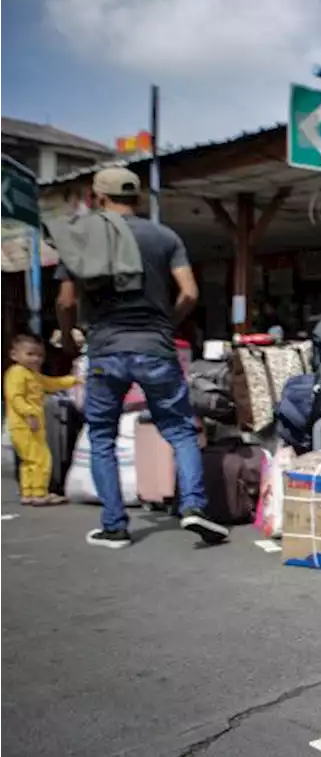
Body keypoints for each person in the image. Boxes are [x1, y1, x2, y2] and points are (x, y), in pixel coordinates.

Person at [51, 167, 225, 550]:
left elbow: (65, 300)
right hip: (156, 348)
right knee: (180, 430)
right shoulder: (165, 236)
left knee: (101, 436)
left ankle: (114, 526)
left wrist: (66, 337)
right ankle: (194, 506)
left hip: (104, 350)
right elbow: (190, 293)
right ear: (137, 198)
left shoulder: (83, 236)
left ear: (98, 197)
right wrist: (165, 323)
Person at [4, 334, 79, 506]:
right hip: (24, 424)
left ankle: (28, 492)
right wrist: (29, 414)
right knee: (41, 458)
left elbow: (51, 383)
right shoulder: (16, 373)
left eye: (39, 355)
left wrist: (74, 380)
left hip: (30, 424)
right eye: (30, 354)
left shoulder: (33, 375)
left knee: (29, 460)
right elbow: (15, 397)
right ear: (14, 355)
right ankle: (39, 493)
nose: (36, 359)